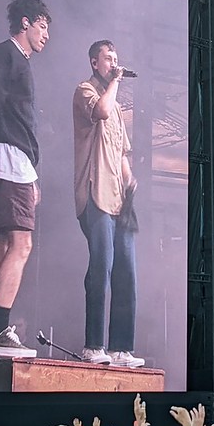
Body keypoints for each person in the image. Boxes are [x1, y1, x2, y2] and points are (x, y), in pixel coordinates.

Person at [0, 0, 51, 359]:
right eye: (43, 25)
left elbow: (21, 121)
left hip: (17, 161)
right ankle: (0, 331)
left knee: (4, 244)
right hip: (7, 157)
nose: (46, 34)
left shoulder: (20, 62)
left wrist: (32, 175)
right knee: (21, 245)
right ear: (26, 22)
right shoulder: (4, 53)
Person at [73, 40, 143, 367]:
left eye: (116, 58)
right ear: (94, 62)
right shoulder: (85, 91)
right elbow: (99, 111)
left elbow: (122, 151)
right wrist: (115, 80)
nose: (114, 63)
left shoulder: (117, 108)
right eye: (108, 59)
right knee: (102, 265)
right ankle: (93, 346)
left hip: (119, 198)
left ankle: (121, 348)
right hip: (95, 192)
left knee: (127, 271)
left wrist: (131, 181)